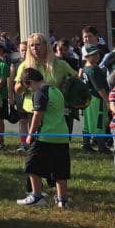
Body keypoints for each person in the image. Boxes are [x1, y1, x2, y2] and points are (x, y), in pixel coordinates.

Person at [16, 66, 71, 209]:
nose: (30, 90)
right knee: (60, 170)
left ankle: (36, 196)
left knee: (31, 165)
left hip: (45, 136)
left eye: (28, 87)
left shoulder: (41, 93)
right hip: (62, 135)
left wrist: (30, 134)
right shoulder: (56, 90)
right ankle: (62, 200)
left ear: (30, 82)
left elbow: (37, 115)